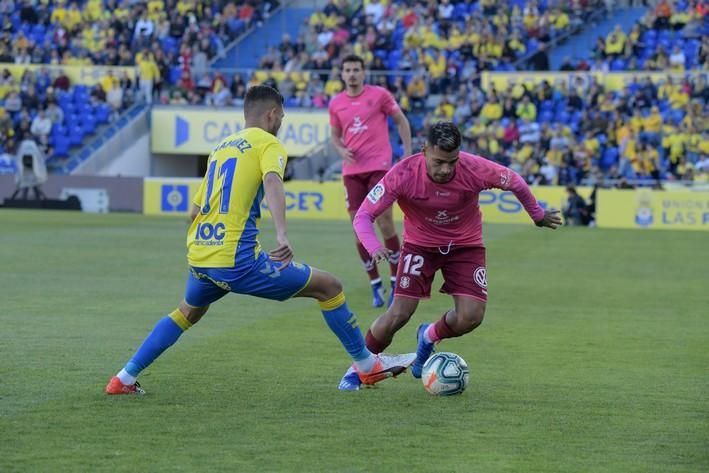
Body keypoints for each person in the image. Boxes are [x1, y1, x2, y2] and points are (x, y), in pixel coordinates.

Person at [106, 85, 415, 395]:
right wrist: (282, 234)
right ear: (272, 114)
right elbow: (272, 180)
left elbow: (194, 211)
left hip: (200, 255)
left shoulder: (222, 147)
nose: (280, 122)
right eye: (280, 116)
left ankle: (124, 378)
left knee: (187, 312)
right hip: (236, 260)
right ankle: (366, 367)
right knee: (329, 287)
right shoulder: (268, 143)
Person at [338, 122, 562, 390]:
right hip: (420, 246)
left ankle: (428, 336)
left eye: (452, 161)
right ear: (424, 151)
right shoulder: (403, 173)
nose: (446, 169)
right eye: (439, 162)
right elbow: (363, 216)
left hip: (465, 246)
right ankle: (357, 370)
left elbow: (514, 180)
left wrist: (536, 214)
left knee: (471, 317)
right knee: (398, 314)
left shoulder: (474, 168)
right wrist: (374, 246)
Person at [328, 54, 413, 308]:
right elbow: (334, 134)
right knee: (358, 228)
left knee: (386, 222)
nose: (352, 74)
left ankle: (396, 281)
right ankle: (375, 285)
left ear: (364, 73)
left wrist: (407, 153)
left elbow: (401, 120)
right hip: (352, 171)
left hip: (379, 167)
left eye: (356, 69)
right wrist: (341, 150)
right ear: (342, 74)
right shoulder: (336, 103)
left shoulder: (380, 95)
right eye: (347, 69)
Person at [11, 134, 47, 200]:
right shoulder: (33, 146)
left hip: (27, 170)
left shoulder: (23, 145)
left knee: (26, 186)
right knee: (33, 187)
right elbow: (39, 159)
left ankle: (21, 201)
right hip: (31, 170)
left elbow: (19, 158)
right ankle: (39, 202)